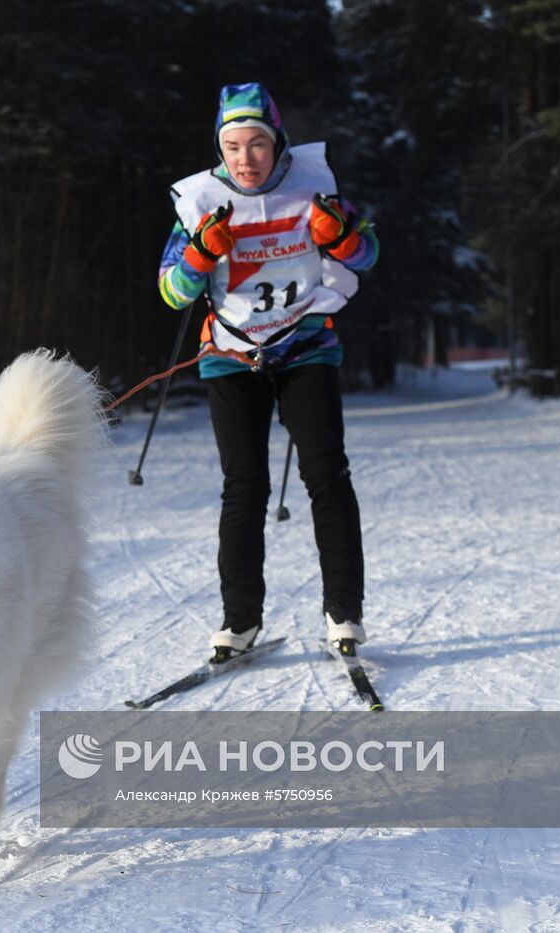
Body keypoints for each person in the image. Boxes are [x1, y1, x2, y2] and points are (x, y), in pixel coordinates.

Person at [156, 82, 380, 663]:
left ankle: (344, 615)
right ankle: (240, 622)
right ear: (220, 148)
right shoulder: (200, 201)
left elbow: (367, 255)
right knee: (244, 485)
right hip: (230, 355)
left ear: (278, 144)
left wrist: (343, 237)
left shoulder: (314, 189)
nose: (245, 159)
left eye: (257, 144)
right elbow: (172, 292)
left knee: (327, 474)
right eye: (233, 146)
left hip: (306, 346)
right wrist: (199, 256)